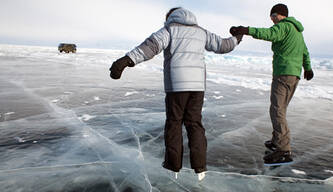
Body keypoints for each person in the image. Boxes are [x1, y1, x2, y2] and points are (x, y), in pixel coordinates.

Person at [109, 7, 242, 180]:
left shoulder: (169, 30)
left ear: (170, 17)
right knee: (195, 124)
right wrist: (239, 36)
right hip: (197, 87)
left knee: (174, 123)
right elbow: (224, 45)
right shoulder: (201, 32)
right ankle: (200, 168)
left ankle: (173, 166)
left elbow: (149, 48)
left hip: (177, 86)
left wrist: (125, 61)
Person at [230, 3, 314, 166]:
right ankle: (277, 140)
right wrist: (308, 68)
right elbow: (305, 52)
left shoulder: (284, 26)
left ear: (280, 15)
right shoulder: (297, 31)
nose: (271, 19)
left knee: (277, 110)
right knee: (280, 109)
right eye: (271, 16)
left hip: (283, 73)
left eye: (273, 16)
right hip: (294, 75)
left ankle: (283, 150)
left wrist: (246, 30)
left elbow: (268, 34)